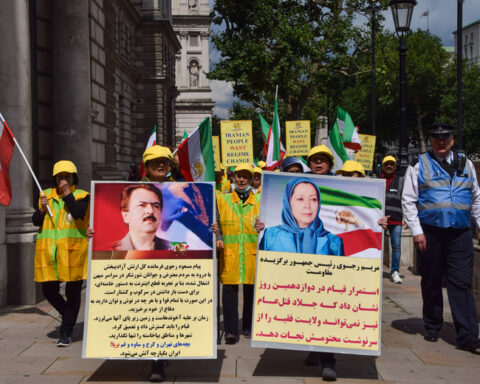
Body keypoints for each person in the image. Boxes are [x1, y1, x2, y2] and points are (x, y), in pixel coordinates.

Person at [402, 123, 480, 352]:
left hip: (461, 232)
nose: (441, 142)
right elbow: (408, 199)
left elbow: (476, 198)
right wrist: (416, 231)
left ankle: (468, 335)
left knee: (462, 282)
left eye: (445, 138)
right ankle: (433, 325)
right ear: (431, 140)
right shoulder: (418, 164)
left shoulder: (466, 164)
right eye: (436, 138)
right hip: (431, 232)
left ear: (452, 140)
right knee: (432, 279)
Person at [32, 160, 90, 347]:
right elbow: (35, 221)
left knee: (73, 292)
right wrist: (41, 209)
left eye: (67, 176)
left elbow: (79, 213)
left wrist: (67, 194)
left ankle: (66, 333)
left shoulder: (82, 196)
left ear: (74, 178)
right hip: (50, 253)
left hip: (73, 252)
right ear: (54, 179)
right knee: (48, 290)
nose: (63, 180)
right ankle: (67, 314)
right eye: (60, 177)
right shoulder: (46, 195)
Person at [215, 164, 260, 344]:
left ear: (250, 179)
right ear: (233, 178)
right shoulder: (222, 200)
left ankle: (248, 326)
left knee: (251, 292)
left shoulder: (259, 200)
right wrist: (217, 234)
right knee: (229, 293)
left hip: (251, 254)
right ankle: (230, 331)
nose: (241, 180)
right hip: (230, 255)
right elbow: (215, 221)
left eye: (245, 177)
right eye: (238, 176)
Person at [259, 178, 344, 255]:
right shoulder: (270, 235)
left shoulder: (334, 242)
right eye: (300, 199)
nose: (307, 205)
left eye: (313, 199)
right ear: (288, 203)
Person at [111, 184, 170, 251]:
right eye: (142, 205)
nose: (150, 211)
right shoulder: (109, 251)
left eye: (156, 206)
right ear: (126, 215)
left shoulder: (176, 250)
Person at [381, 156, 404, 284]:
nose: (389, 166)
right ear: (383, 166)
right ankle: (377, 269)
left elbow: (405, 200)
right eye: (387, 164)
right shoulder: (378, 180)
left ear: (395, 167)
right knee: (378, 246)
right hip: (381, 220)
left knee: (396, 247)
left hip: (396, 220)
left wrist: (406, 218)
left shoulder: (401, 181)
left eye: (391, 164)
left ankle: (395, 271)